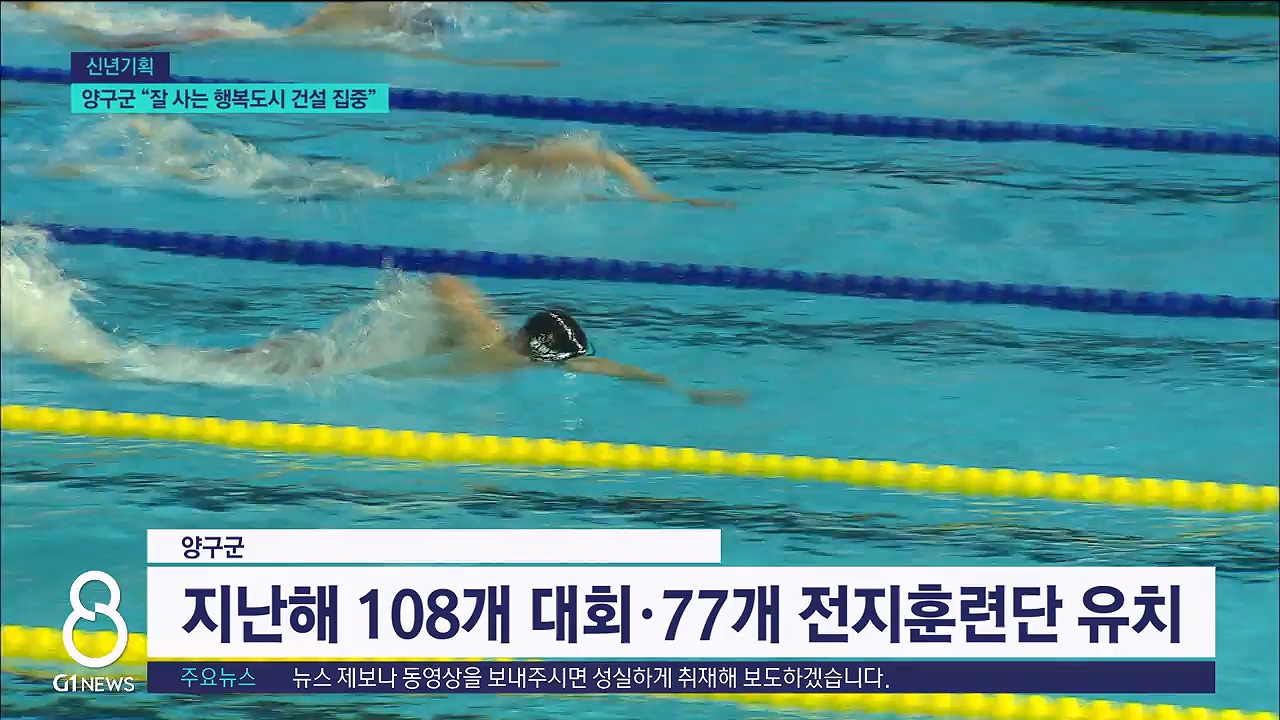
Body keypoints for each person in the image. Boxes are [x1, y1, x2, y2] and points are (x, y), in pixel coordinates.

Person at [228, 274, 747, 406]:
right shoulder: (490, 338)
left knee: (290, 363)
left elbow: (605, 368)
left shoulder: (525, 356)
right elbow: (448, 284)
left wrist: (683, 390)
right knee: (288, 362)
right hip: (353, 362)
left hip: (372, 368)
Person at [45, 119, 736, 208]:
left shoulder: (566, 161)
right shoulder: (580, 157)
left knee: (256, 178)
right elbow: (623, 173)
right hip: (385, 191)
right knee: (256, 184)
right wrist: (671, 202)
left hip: (393, 189)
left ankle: (159, 155)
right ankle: (148, 159)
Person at [11, 2, 558, 68]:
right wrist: (503, 66)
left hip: (248, 36)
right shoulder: (378, 19)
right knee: (105, 44)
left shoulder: (379, 20)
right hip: (238, 41)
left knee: (110, 38)